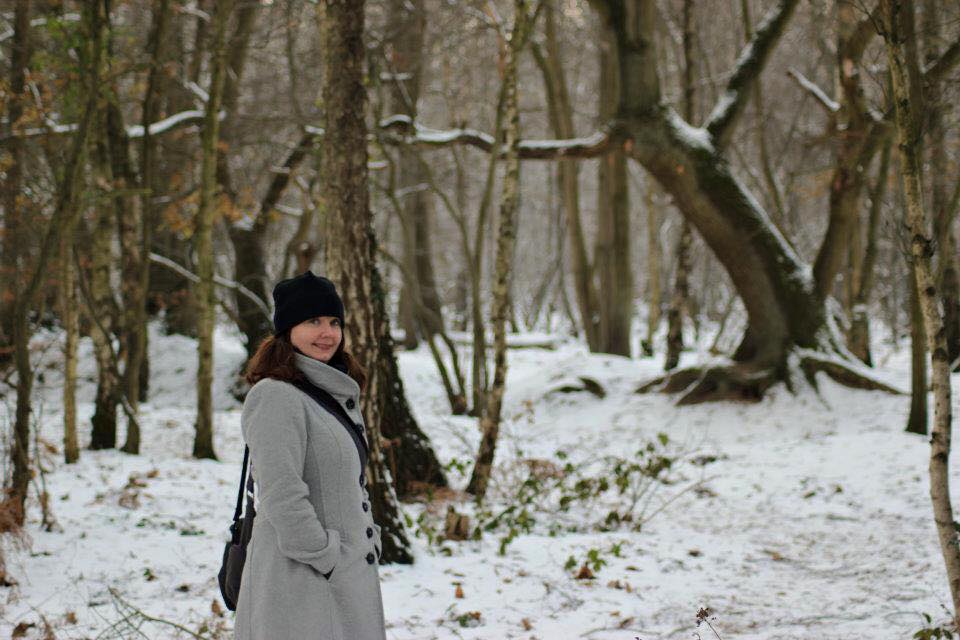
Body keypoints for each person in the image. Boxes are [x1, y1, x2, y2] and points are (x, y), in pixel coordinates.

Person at [234, 271, 386, 640]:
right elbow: (281, 493)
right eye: (313, 321)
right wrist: (326, 556)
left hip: (342, 579)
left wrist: (368, 540)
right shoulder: (276, 396)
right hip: (300, 584)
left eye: (334, 322)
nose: (327, 333)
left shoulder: (332, 392)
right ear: (288, 329)